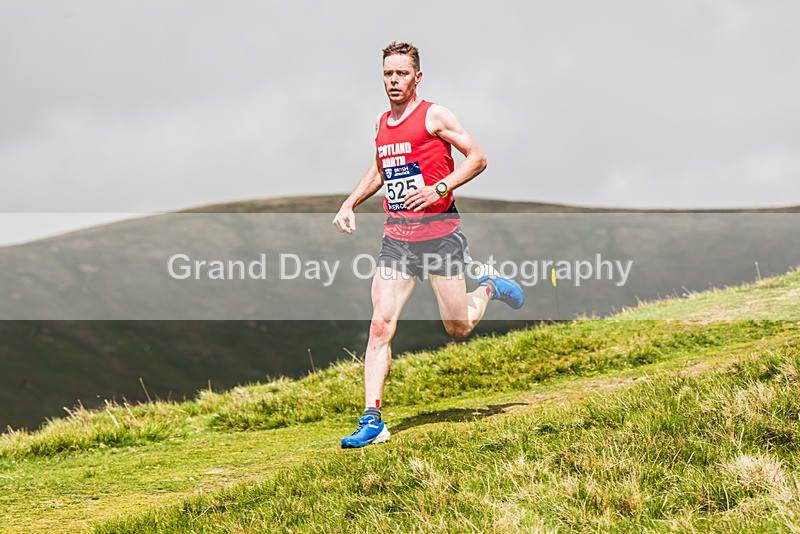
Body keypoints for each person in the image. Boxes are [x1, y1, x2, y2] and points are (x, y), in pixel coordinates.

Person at [332, 41, 524, 448]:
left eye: (402, 73)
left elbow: (476, 157)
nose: (394, 81)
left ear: (417, 77)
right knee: (380, 325)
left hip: (440, 239)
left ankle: (488, 285)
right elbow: (381, 168)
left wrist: (439, 188)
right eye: (388, 74)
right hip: (397, 241)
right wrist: (350, 203)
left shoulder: (434, 115)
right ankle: (373, 420)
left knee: (458, 328)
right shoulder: (383, 123)